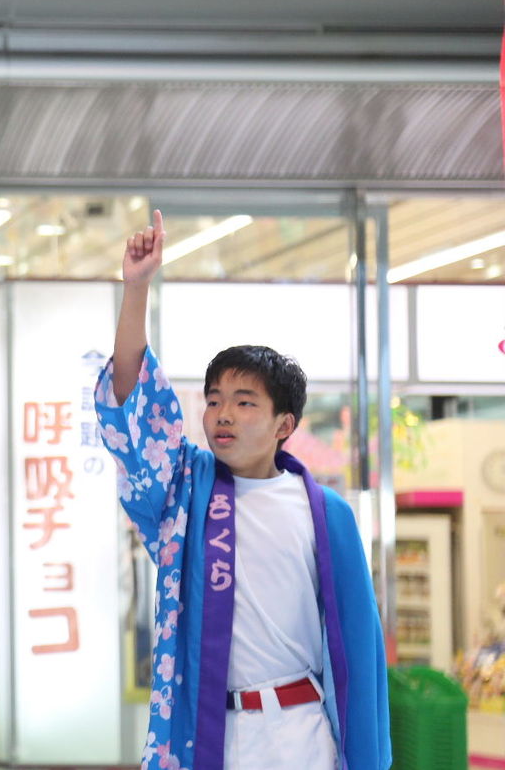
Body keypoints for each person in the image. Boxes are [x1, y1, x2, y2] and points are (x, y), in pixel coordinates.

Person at [94, 210, 390, 770]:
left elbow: (359, 645)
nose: (222, 414)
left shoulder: (327, 513)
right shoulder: (186, 493)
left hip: (302, 731)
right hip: (212, 734)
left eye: (244, 401)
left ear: (285, 424)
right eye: (213, 401)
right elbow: (134, 408)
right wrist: (136, 289)